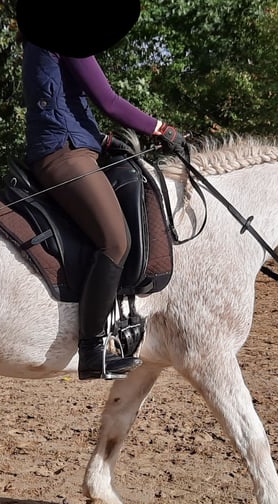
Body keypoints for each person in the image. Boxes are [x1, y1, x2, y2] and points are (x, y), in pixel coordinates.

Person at [21, 38, 187, 380]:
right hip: (64, 152)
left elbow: (64, 101)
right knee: (115, 241)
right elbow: (107, 101)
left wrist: (102, 140)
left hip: (76, 146)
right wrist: (161, 129)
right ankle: (93, 349)